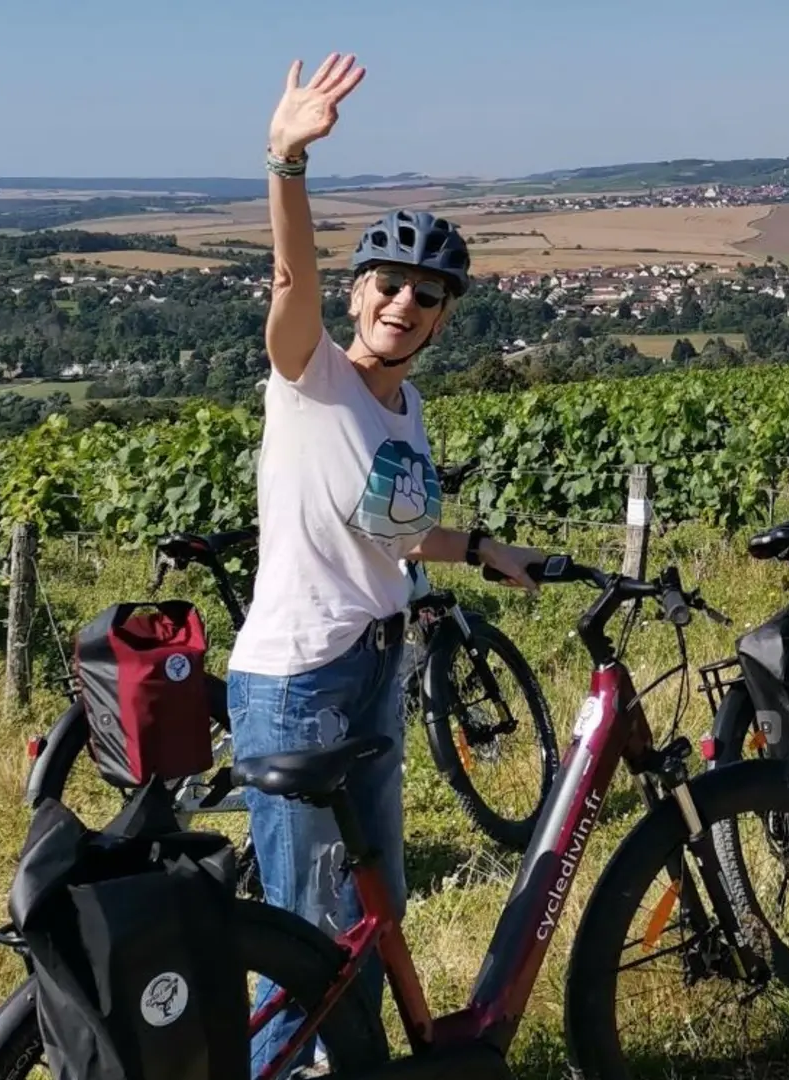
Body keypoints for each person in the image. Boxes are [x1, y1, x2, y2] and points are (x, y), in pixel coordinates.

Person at [227, 52, 545, 1071]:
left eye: (427, 292)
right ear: (359, 293)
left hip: (373, 666)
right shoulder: (308, 375)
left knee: (377, 908)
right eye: (389, 283)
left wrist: (484, 549)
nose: (404, 302)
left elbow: (395, 534)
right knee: (306, 928)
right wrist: (286, 162)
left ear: (444, 317)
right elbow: (290, 284)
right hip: (299, 677)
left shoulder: (403, 408)